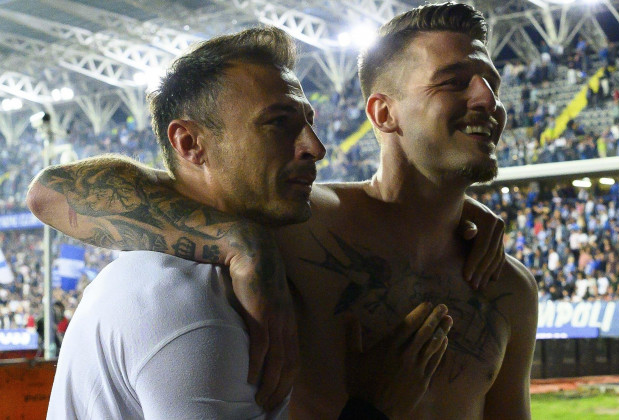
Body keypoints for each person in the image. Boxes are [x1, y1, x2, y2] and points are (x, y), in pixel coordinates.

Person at [29, 3, 535, 419]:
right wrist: (237, 239)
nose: (487, 98)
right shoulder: (294, 221)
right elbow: (54, 192)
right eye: (453, 81)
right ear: (383, 113)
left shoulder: (507, 286)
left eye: (492, 80)